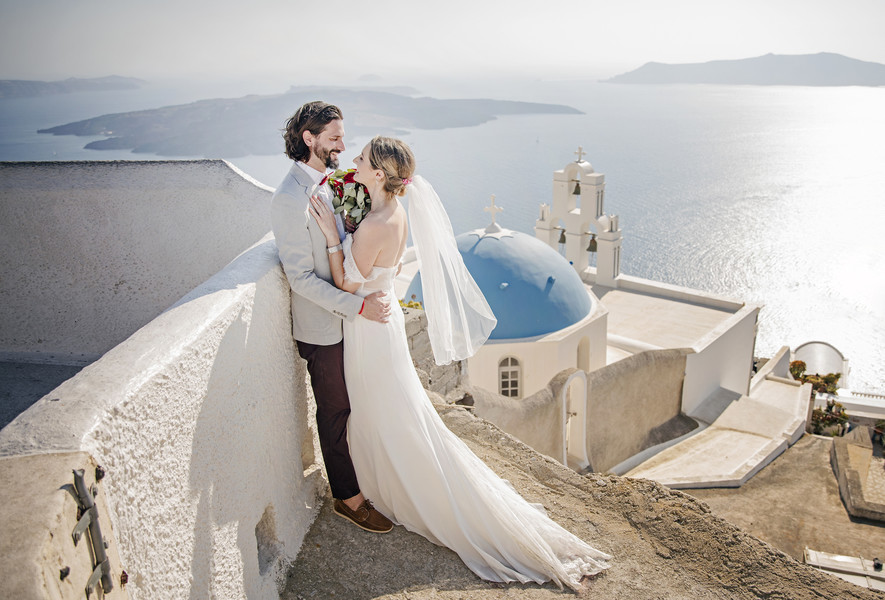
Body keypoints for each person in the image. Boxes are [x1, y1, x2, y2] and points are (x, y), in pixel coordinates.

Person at [308, 136, 611, 591]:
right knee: (392, 410)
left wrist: (333, 237)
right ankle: (383, 479)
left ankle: (398, 487)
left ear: (377, 175)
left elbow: (347, 284)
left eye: (363, 158)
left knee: (383, 411)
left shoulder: (374, 225)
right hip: (379, 324)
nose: (354, 160)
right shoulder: (394, 214)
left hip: (368, 330)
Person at [271, 101, 393, 533]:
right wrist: (360, 306)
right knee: (335, 410)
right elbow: (301, 279)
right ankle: (347, 497)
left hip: (348, 322)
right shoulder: (289, 200)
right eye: (335, 137)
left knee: (360, 404)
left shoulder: (328, 183)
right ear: (310, 139)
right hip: (322, 328)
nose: (344, 144)